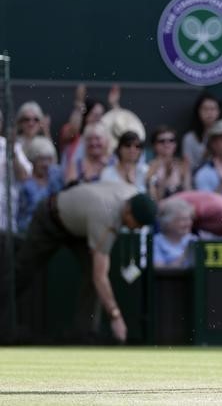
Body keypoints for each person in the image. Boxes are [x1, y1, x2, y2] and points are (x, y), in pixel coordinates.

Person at [14, 181, 157, 342]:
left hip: (80, 226)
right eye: (137, 224)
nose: (136, 228)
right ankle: (5, 326)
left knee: (91, 273)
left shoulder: (131, 193)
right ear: (128, 211)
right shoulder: (107, 218)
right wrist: (115, 316)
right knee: (21, 271)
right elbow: (100, 277)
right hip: (50, 218)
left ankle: (84, 335)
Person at [16, 136, 63, 234]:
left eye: (49, 159)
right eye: (41, 159)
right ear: (33, 160)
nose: (45, 164)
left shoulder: (56, 178)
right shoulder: (26, 184)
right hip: (29, 233)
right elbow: (22, 217)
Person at [181, 92, 222, 173]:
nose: (209, 113)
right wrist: (205, 157)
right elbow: (188, 168)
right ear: (198, 111)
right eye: (205, 109)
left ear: (219, 111)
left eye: (213, 109)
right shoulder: (189, 138)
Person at [146, 125, 192, 202]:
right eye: (162, 141)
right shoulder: (149, 167)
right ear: (154, 145)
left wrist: (186, 173)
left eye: (171, 140)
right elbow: (153, 199)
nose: (167, 144)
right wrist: (165, 178)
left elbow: (189, 194)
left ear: (175, 144)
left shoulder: (181, 165)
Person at [152, 197, 198, 269]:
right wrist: (184, 256)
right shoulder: (156, 242)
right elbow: (159, 271)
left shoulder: (194, 240)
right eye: (183, 219)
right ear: (168, 223)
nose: (188, 223)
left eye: (189, 219)